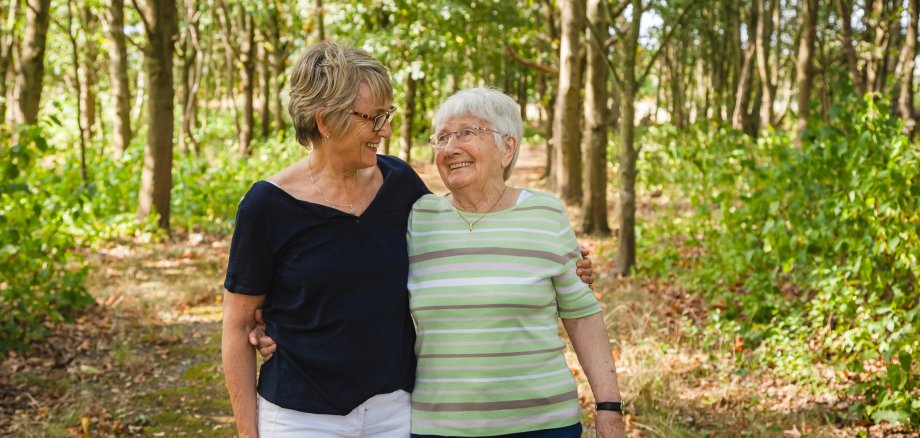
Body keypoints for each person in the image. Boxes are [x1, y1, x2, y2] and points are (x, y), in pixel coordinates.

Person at [222, 42, 594, 438]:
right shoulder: (267, 206)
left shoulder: (399, 185)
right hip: (301, 414)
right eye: (373, 118)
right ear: (325, 122)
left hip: (394, 411)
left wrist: (551, 252)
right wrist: (248, 432)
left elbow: (461, 232)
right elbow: (237, 326)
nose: (385, 129)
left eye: (387, 114)